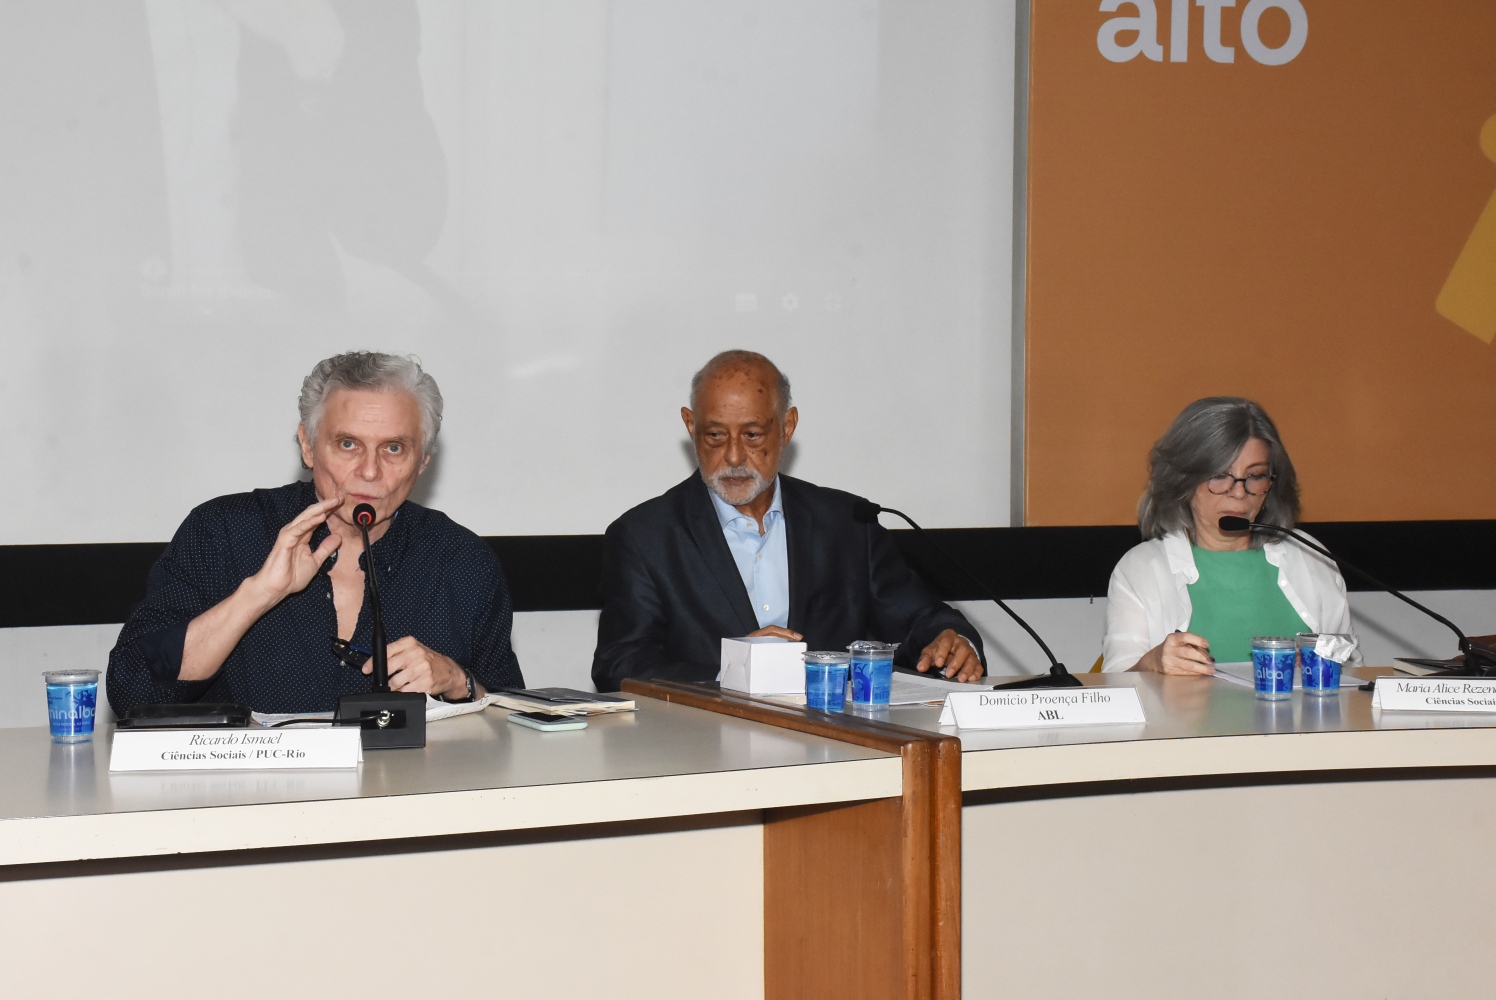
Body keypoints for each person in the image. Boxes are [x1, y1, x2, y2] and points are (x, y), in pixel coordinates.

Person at [108, 352, 523, 714]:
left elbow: (515, 723)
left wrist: (459, 683)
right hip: (253, 801)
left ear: (423, 461)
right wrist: (257, 595)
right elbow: (133, 689)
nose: (370, 470)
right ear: (307, 445)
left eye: (394, 448)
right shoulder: (223, 532)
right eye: (347, 445)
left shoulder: (461, 561)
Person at [592, 349, 985, 691]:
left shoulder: (846, 524)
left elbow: (918, 617)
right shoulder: (645, 537)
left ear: (786, 427)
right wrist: (733, 670)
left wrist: (952, 640)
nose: (732, 456)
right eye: (714, 436)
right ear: (691, 427)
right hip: (705, 752)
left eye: (752, 435)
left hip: (839, 750)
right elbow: (619, 665)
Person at [1102, 396, 1358, 673]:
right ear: (1184, 482)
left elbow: (1353, 669)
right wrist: (1152, 664)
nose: (1239, 493)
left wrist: (1320, 660)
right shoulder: (1141, 568)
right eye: (1220, 476)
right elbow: (1115, 690)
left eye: (1255, 476)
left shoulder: (1310, 555)